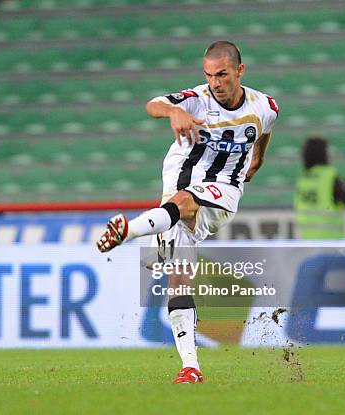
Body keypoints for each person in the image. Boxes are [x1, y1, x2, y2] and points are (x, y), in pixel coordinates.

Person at [95, 41, 279, 383]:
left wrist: (259, 156)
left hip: (223, 191)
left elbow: (265, 128)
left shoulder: (264, 105)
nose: (215, 83)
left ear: (240, 71)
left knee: (183, 202)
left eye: (222, 74)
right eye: (209, 75)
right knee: (178, 281)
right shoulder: (197, 99)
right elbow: (154, 104)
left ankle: (129, 230)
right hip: (176, 191)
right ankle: (190, 367)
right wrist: (173, 112)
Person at [294, 137, 345, 239]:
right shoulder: (329, 176)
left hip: (308, 240)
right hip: (330, 241)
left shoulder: (303, 178)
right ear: (322, 154)